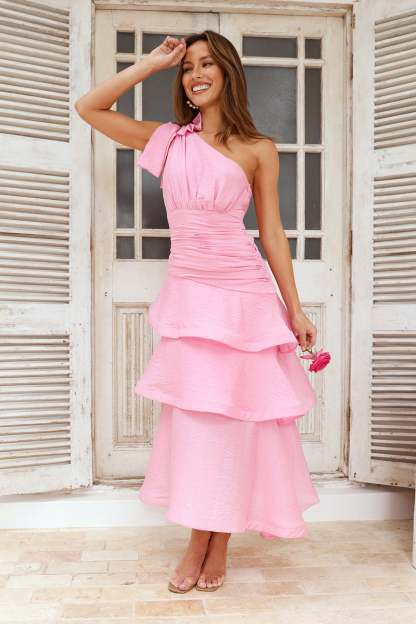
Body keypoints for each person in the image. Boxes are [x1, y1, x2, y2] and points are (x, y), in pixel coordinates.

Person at [75, 29, 319, 595]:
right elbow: (89, 107)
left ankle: (219, 540)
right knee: (196, 424)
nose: (196, 75)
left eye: (207, 64)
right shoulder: (168, 141)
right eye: (188, 68)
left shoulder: (258, 148)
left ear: (229, 72)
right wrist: (150, 64)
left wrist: (295, 309)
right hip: (191, 298)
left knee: (237, 423)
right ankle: (197, 537)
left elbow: (272, 234)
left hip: (245, 296)